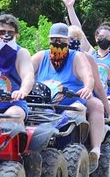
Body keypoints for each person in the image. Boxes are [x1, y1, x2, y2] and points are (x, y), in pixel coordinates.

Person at [32, 23, 101, 161]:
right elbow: (24, 73)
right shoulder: (41, 56)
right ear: (49, 40)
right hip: (44, 106)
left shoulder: (77, 57)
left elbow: (88, 76)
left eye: (61, 40)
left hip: (70, 103)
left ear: (68, 41)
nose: (57, 43)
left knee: (80, 108)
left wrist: (87, 87)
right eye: (54, 40)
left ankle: (94, 148)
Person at [68, 24, 110, 127]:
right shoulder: (53, 57)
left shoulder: (88, 57)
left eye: (77, 39)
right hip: (59, 97)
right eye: (71, 38)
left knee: (95, 105)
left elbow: (97, 86)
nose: (74, 41)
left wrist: (109, 112)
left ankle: (95, 143)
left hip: (84, 96)